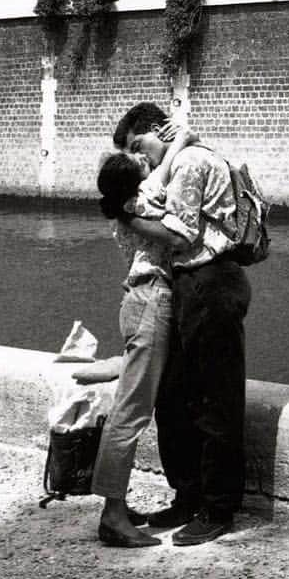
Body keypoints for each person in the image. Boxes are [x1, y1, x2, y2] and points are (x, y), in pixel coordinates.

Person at [112, 101, 251, 546]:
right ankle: (188, 495)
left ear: (156, 130)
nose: (141, 158)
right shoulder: (178, 159)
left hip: (211, 280)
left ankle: (218, 506)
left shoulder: (191, 161)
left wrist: (127, 216)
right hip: (188, 283)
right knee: (176, 396)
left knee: (215, 396)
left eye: (140, 146)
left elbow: (180, 233)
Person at [87, 121, 194, 548]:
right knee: (130, 413)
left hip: (137, 301)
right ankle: (113, 515)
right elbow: (164, 171)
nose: (146, 162)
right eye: (138, 163)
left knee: (127, 409)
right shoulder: (141, 201)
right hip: (151, 300)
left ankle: (114, 507)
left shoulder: (124, 207)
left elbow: (155, 173)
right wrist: (182, 140)